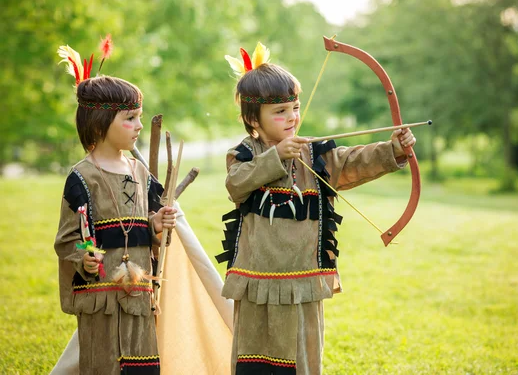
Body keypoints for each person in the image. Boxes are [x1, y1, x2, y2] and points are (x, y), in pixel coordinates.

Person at [217, 42, 416, 374]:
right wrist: (277, 155)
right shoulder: (246, 155)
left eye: (294, 107)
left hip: (304, 279)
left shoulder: (314, 154)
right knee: (255, 355)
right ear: (254, 118)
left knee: (302, 359)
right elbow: (236, 184)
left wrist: (392, 149)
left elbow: (353, 161)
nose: (291, 116)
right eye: (279, 111)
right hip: (257, 280)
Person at [55, 43, 177, 374]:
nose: (139, 125)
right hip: (101, 298)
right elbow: (69, 239)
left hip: (137, 294)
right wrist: (85, 256)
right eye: (129, 118)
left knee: (142, 366)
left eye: (139, 117)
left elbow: (147, 228)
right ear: (99, 122)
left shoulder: (140, 173)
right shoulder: (82, 176)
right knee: (103, 366)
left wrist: (158, 224)